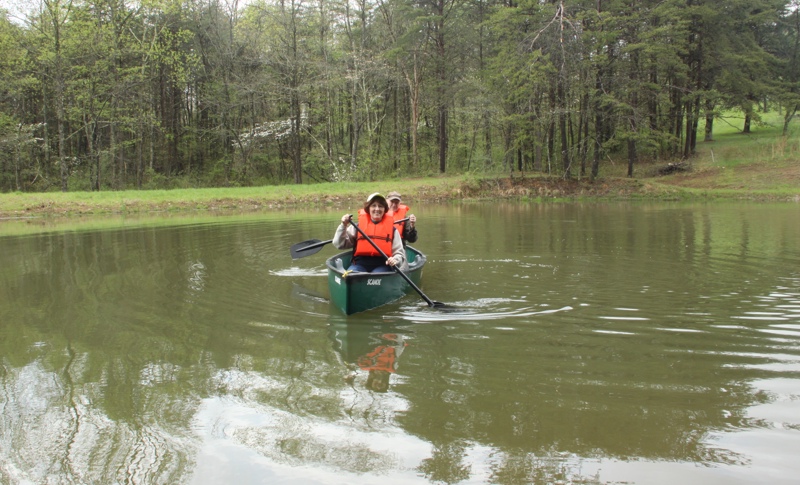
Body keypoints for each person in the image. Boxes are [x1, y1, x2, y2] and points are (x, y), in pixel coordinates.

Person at [333, 193, 407, 273]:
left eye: (380, 206)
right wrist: (343, 225)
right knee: (352, 274)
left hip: (383, 265)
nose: (377, 209)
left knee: (377, 274)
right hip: (359, 265)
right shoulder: (357, 227)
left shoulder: (393, 230)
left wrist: (395, 259)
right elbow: (339, 244)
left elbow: (399, 253)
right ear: (368, 208)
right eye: (373, 205)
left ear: (385, 209)